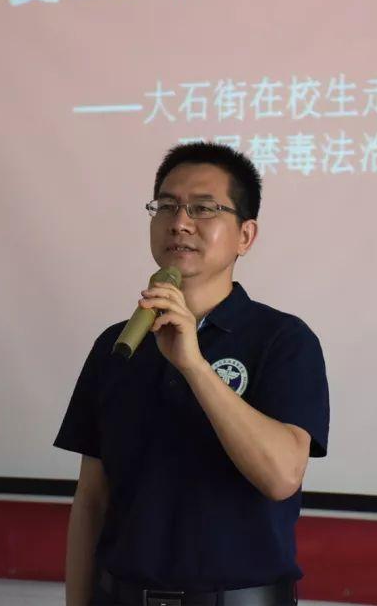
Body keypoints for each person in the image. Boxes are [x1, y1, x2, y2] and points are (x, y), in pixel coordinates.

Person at [55, 142, 330, 606]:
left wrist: (194, 365)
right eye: (166, 206)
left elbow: (282, 476)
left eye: (203, 208)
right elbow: (92, 499)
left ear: (245, 236)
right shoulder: (115, 345)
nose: (179, 222)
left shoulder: (283, 339)